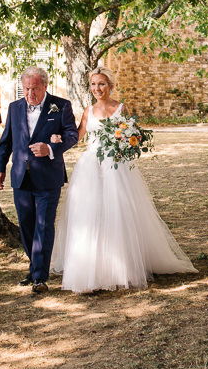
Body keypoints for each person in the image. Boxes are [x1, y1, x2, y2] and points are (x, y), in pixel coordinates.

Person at [49, 68, 195, 293]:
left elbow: (132, 137)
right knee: (89, 213)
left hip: (115, 167)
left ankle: (119, 267)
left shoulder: (121, 109)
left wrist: (125, 145)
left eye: (102, 84)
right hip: (90, 167)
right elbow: (77, 136)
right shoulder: (88, 110)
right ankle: (90, 267)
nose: (97, 89)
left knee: (118, 213)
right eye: (94, 84)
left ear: (111, 86)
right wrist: (59, 138)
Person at [0, 66, 79, 294]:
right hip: (21, 177)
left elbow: (73, 135)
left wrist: (51, 148)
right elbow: (6, 142)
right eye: (26, 89)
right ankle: (35, 267)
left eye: (35, 88)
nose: (30, 93)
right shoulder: (14, 108)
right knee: (27, 227)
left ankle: (40, 278)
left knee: (44, 225)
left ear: (45, 86)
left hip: (48, 178)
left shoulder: (61, 106)